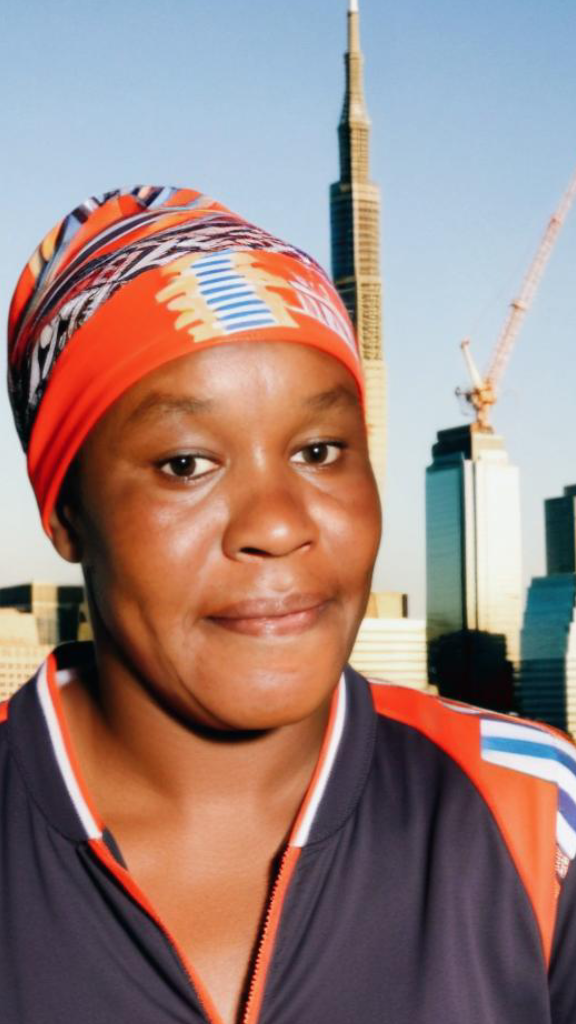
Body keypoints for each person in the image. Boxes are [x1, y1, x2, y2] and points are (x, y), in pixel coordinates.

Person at [3, 185, 576, 1024]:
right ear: (64, 514)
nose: (276, 524)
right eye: (186, 465)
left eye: (319, 451)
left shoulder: (537, 812)